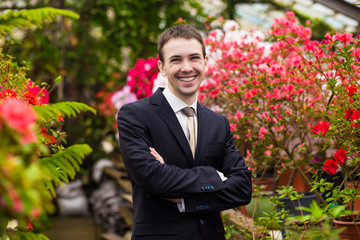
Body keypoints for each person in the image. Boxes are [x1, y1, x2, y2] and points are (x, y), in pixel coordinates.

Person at [117, 24, 252, 240]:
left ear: (205, 62)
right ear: (162, 67)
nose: (187, 68)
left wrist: (186, 200)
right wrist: (215, 175)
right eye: (176, 60)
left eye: (194, 58)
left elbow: (243, 188)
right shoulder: (135, 115)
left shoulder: (218, 123)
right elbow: (152, 179)